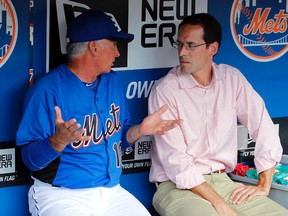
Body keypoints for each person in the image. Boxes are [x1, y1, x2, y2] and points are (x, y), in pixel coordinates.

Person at [16, 10, 182, 216]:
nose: (117, 53)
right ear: (94, 47)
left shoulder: (112, 82)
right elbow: (30, 160)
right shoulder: (47, 90)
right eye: (113, 45)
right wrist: (57, 141)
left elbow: (117, 141)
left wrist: (140, 130)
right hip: (62, 196)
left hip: (111, 193)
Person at [148, 13, 288, 216]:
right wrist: (220, 205)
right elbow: (176, 163)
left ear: (212, 48)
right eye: (179, 44)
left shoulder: (231, 79)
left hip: (223, 182)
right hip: (177, 187)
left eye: (190, 45)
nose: (182, 52)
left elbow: (263, 125)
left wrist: (264, 184)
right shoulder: (165, 90)